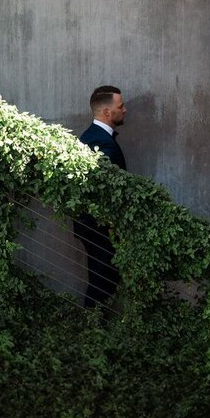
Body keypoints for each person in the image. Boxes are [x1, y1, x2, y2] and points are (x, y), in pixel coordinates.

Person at [73, 85, 128, 308]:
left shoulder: (94, 137)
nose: (125, 110)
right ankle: (93, 332)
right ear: (107, 112)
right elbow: (101, 190)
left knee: (104, 278)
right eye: (120, 106)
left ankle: (95, 330)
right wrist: (112, 224)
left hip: (97, 224)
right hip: (98, 225)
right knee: (102, 280)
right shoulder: (100, 142)